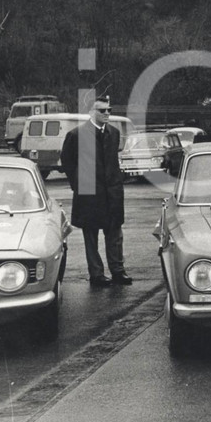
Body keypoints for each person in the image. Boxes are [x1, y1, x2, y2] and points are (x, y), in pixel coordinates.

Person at [60, 95, 132, 287]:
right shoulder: (76, 135)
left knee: (115, 234)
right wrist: (79, 184)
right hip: (89, 195)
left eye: (109, 110)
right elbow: (67, 162)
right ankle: (96, 274)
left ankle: (118, 271)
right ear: (92, 112)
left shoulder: (114, 133)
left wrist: (116, 184)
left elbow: (112, 162)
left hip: (112, 194)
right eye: (102, 110)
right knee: (91, 236)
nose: (107, 113)